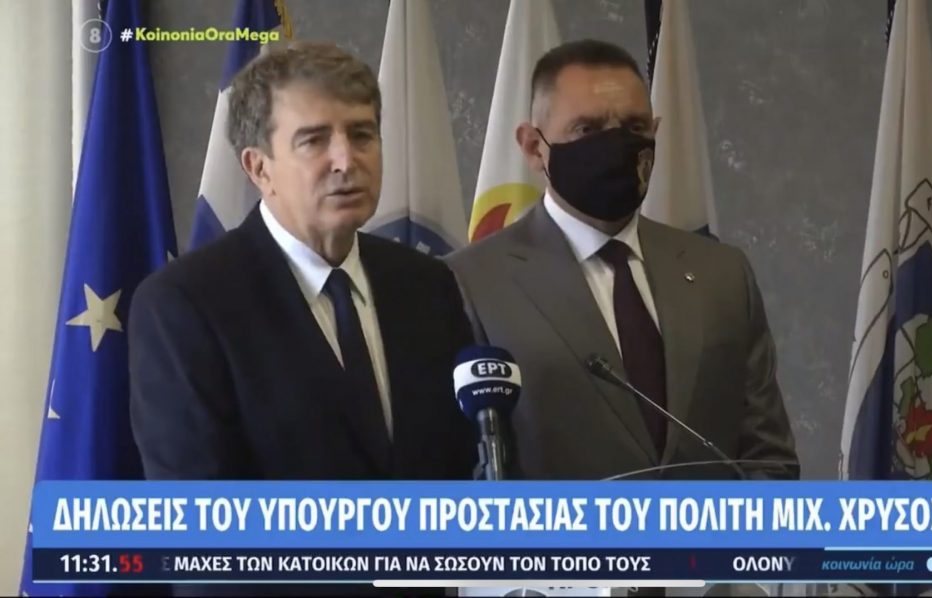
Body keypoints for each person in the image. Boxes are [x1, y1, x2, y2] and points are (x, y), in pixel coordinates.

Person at [445, 39, 799, 481]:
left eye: (633, 127)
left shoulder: (723, 274)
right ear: (534, 147)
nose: (615, 145)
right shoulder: (467, 283)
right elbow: (456, 472)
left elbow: (768, 457)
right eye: (587, 129)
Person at [128, 42, 477, 485]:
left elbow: (462, 465)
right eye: (314, 141)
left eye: (362, 135)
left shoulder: (427, 284)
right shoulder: (185, 305)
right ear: (259, 168)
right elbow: (199, 510)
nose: (346, 161)